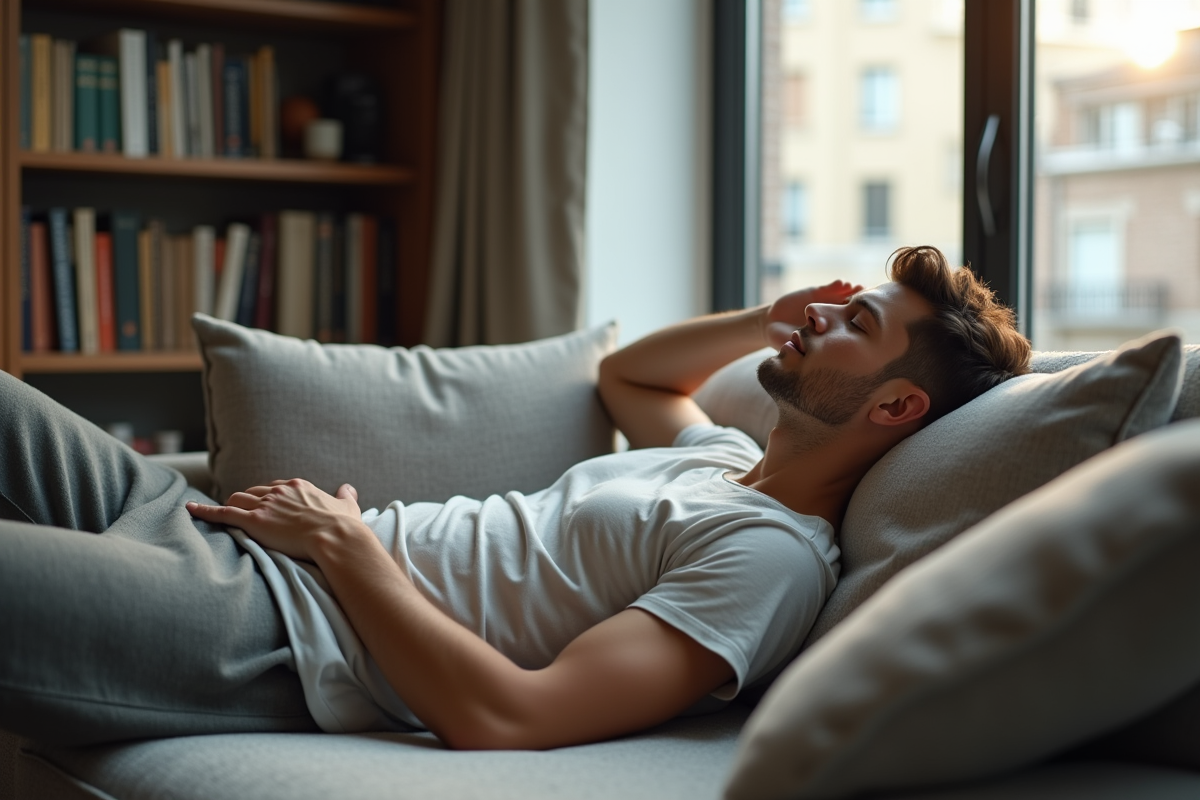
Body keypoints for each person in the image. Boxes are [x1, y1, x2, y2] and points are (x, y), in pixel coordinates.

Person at [0, 245, 1030, 751]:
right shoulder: (719, 459)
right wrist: (773, 314)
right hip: (232, 536)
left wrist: (347, 546)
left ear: (895, 402)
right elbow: (632, 378)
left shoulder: (770, 558)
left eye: (853, 321)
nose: (821, 315)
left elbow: (511, 713)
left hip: (267, 627)